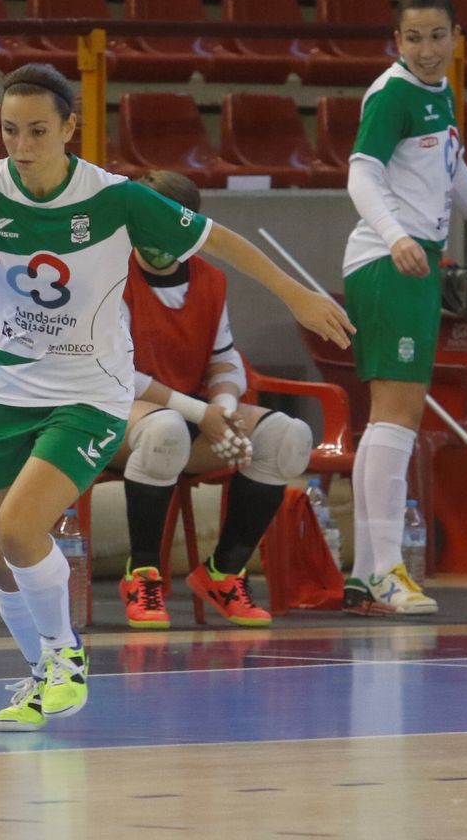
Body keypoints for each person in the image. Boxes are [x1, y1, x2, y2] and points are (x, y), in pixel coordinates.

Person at [0, 63, 352, 732]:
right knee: (2, 558)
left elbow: (218, 240)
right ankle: (41, 677)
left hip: (90, 393)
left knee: (22, 528)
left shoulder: (115, 199)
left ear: (68, 129)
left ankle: (66, 661)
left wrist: (296, 293)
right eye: (9, 130)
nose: (21, 146)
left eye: (36, 130)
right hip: (5, 393)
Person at [340, 0, 467, 616]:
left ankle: (366, 574)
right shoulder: (392, 94)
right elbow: (360, 174)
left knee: (394, 416)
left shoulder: (440, 93)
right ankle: (386, 571)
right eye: (413, 38)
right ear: (397, 42)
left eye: (436, 36)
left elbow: (454, 168)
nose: (425, 48)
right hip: (392, 263)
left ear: (455, 37)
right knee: (398, 413)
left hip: (412, 260)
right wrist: (396, 237)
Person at [108, 171, 315, 630]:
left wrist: (223, 404)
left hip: (190, 412)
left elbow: (224, 358)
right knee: (163, 433)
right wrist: (204, 414)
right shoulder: (109, 274)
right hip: (113, 414)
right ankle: (142, 574)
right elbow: (122, 376)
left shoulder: (211, 279)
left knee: (287, 438)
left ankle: (224, 572)